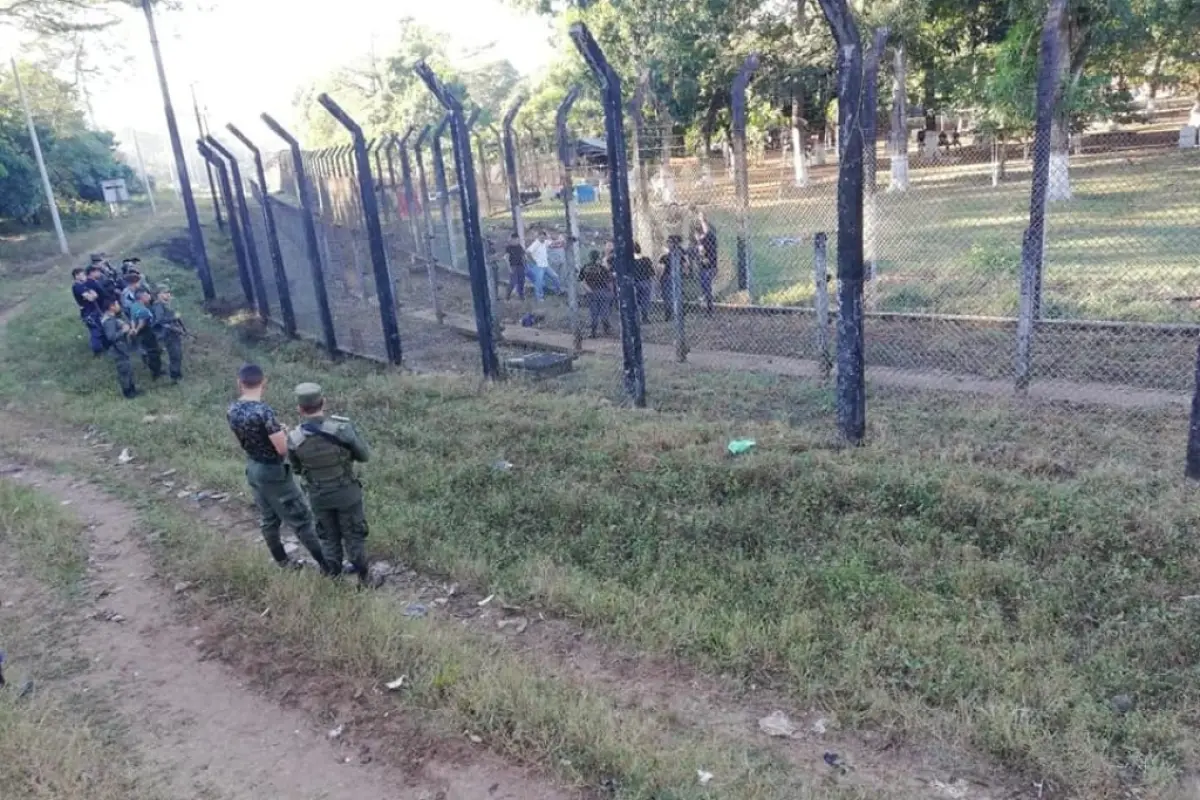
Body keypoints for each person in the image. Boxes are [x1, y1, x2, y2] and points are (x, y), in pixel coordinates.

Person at [226, 364, 330, 574]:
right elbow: (282, 449)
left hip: (253, 468)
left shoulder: (232, 409)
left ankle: (282, 561)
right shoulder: (264, 412)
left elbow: (244, 440)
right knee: (302, 519)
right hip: (274, 473)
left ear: (240, 383)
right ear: (264, 382)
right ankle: (328, 566)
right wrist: (285, 433)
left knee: (269, 518)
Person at [287, 383, 373, 586]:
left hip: (318, 496)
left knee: (328, 537)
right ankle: (365, 579)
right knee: (354, 535)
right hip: (346, 493)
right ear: (323, 402)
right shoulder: (342, 429)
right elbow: (364, 456)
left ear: (299, 409)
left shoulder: (294, 439)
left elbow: (297, 469)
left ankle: (335, 580)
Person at [99, 297, 138, 399]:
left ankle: (132, 389)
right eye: (117, 304)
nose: (119, 306)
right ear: (111, 307)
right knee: (124, 371)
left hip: (122, 348)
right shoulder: (109, 321)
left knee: (128, 369)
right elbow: (111, 337)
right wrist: (123, 331)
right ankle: (128, 393)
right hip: (117, 350)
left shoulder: (113, 318)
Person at [150, 288, 185, 383]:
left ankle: (176, 373)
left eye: (169, 292)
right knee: (175, 354)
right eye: (165, 293)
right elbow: (160, 319)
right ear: (159, 294)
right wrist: (173, 317)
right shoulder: (158, 306)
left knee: (177, 353)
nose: (168, 295)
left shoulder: (164, 305)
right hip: (168, 334)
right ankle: (175, 375)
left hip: (172, 332)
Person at [129, 287, 163, 380]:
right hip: (147, 332)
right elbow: (142, 323)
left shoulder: (134, 306)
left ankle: (155, 370)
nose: (149, 296)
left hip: (141, 333)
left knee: (148, 350)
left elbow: (132, 319)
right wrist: (136, 330)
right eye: (147, 295)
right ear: (142, 297)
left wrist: (133, 329)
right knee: (153, 351)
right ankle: (156, 372)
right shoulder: (143, 309)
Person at [579, 249, 614, 338]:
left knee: (593, 313)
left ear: (590, 257)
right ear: (598, 257)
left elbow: (581, 280)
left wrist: (588, 289)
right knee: (604, 311)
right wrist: (611, 291)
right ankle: (606, 329)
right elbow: (609, 281)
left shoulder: (585, 267)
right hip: (603, 291)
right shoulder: (602, 268)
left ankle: (593, 332)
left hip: (591, 292)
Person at [71, 267, 105, 355]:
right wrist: (93, 295)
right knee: (95, 331)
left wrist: (93, 295)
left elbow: (95, 295)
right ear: (76, 276)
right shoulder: (77, 287)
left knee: (100, 329)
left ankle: (104, 347)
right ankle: (97, 352)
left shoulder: (83, 285)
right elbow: (91, 298)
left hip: (93, 310)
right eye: (82, 275)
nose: (84, 276)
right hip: (89, 313)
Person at [694, 214, 719, 313]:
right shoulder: (701, 241)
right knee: (705, 287)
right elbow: (701, 253)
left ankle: (709, 307)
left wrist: (702, 219)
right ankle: (708, 306)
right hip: (704, 267)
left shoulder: (711, 238)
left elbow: (707, 232)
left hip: (711, 267)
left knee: (707, 286)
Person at [630, 243, 656, 324]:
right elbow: (651, 272)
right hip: (646, 282)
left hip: (634, 282)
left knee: (635, 301)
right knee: (645, 301)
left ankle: (636, 319)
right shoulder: (646, 259)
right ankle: (645, 318)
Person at [526, 229, 551, 301]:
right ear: (538, 237)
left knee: (554, 276)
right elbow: (528, 252)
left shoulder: (545, 242)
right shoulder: (535, 244)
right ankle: (539, 297)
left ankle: (556, 291)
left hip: (545, 265)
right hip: (538, 266)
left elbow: (552, 243)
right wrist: (533, 261)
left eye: (543, 237)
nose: (542, 238)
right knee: (539, 281)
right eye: (541, 237)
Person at [504, 232, 526, 300]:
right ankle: (507, 296)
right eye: (516, 239)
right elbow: (506, 258)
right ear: (513, 239)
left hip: (521, 266)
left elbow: (523, 256)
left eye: (518, 239)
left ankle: (521, 296)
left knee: (521, 281)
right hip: (513, 266)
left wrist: (525, 265)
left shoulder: (519, 246)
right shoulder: (508, 247)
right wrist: (509, 268)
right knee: (513, 283)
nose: (517, 241)